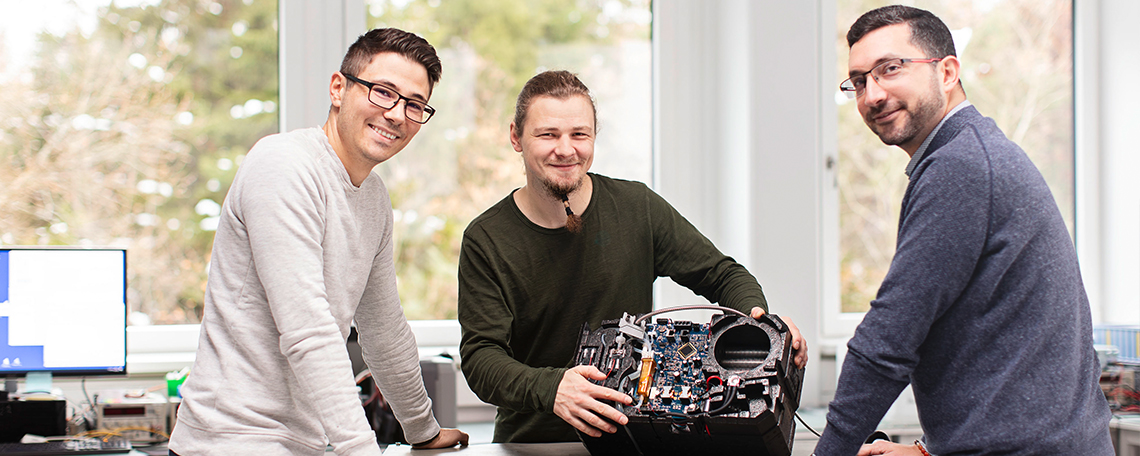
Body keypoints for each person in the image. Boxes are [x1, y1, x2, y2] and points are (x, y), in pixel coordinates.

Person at [813, 6, 1111, 456]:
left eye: (890, 69)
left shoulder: (960, 167)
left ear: (948, 72)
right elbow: (1001, 343)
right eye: (858, 81)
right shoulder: (973, 153)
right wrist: (928, 451)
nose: (872, 95)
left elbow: (889, 340)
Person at [457, 70, 808, 444]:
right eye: (548, 135)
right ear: (516, 137)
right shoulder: (486, 239)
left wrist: (759, 327)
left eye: (579, 134)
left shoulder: (637, 208)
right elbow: (481, 358)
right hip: (532, 444)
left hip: (632, 441)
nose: (566, 149)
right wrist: (554, 388)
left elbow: (723, 275)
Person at [168, 28, 468, 455]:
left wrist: (423, 430)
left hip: (300, 443)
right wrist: (361, 449)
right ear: (338, 89)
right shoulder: (283, 165)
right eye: (383, 92)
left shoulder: (373, 197)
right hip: (230, 440)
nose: (397, 114)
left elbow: (384, 329)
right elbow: (308, 331)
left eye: (414, 104)